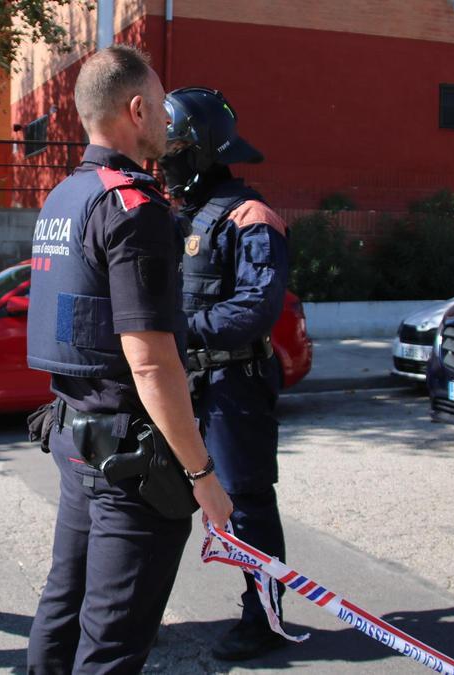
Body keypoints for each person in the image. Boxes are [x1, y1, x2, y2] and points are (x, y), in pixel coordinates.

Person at [25, 45, 233, 673]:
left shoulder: (63, 197)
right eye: (161, 109)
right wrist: (203, 477)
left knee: (62, 610)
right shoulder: (134, 209)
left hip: (73, 435)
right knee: (112, 641)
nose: (169, 123)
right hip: (126, 458)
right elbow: (150, 363)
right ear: (137, 110)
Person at [159, 87, 292, 661]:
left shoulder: (251, 217)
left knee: (245, 504)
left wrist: (180, 331)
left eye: (174, 148)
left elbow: (257, 308)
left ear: (205, 149)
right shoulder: (175, 216)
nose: (163, 159)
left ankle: (263, 617)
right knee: (157, 496)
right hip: (182, 382)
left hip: (232, 387)